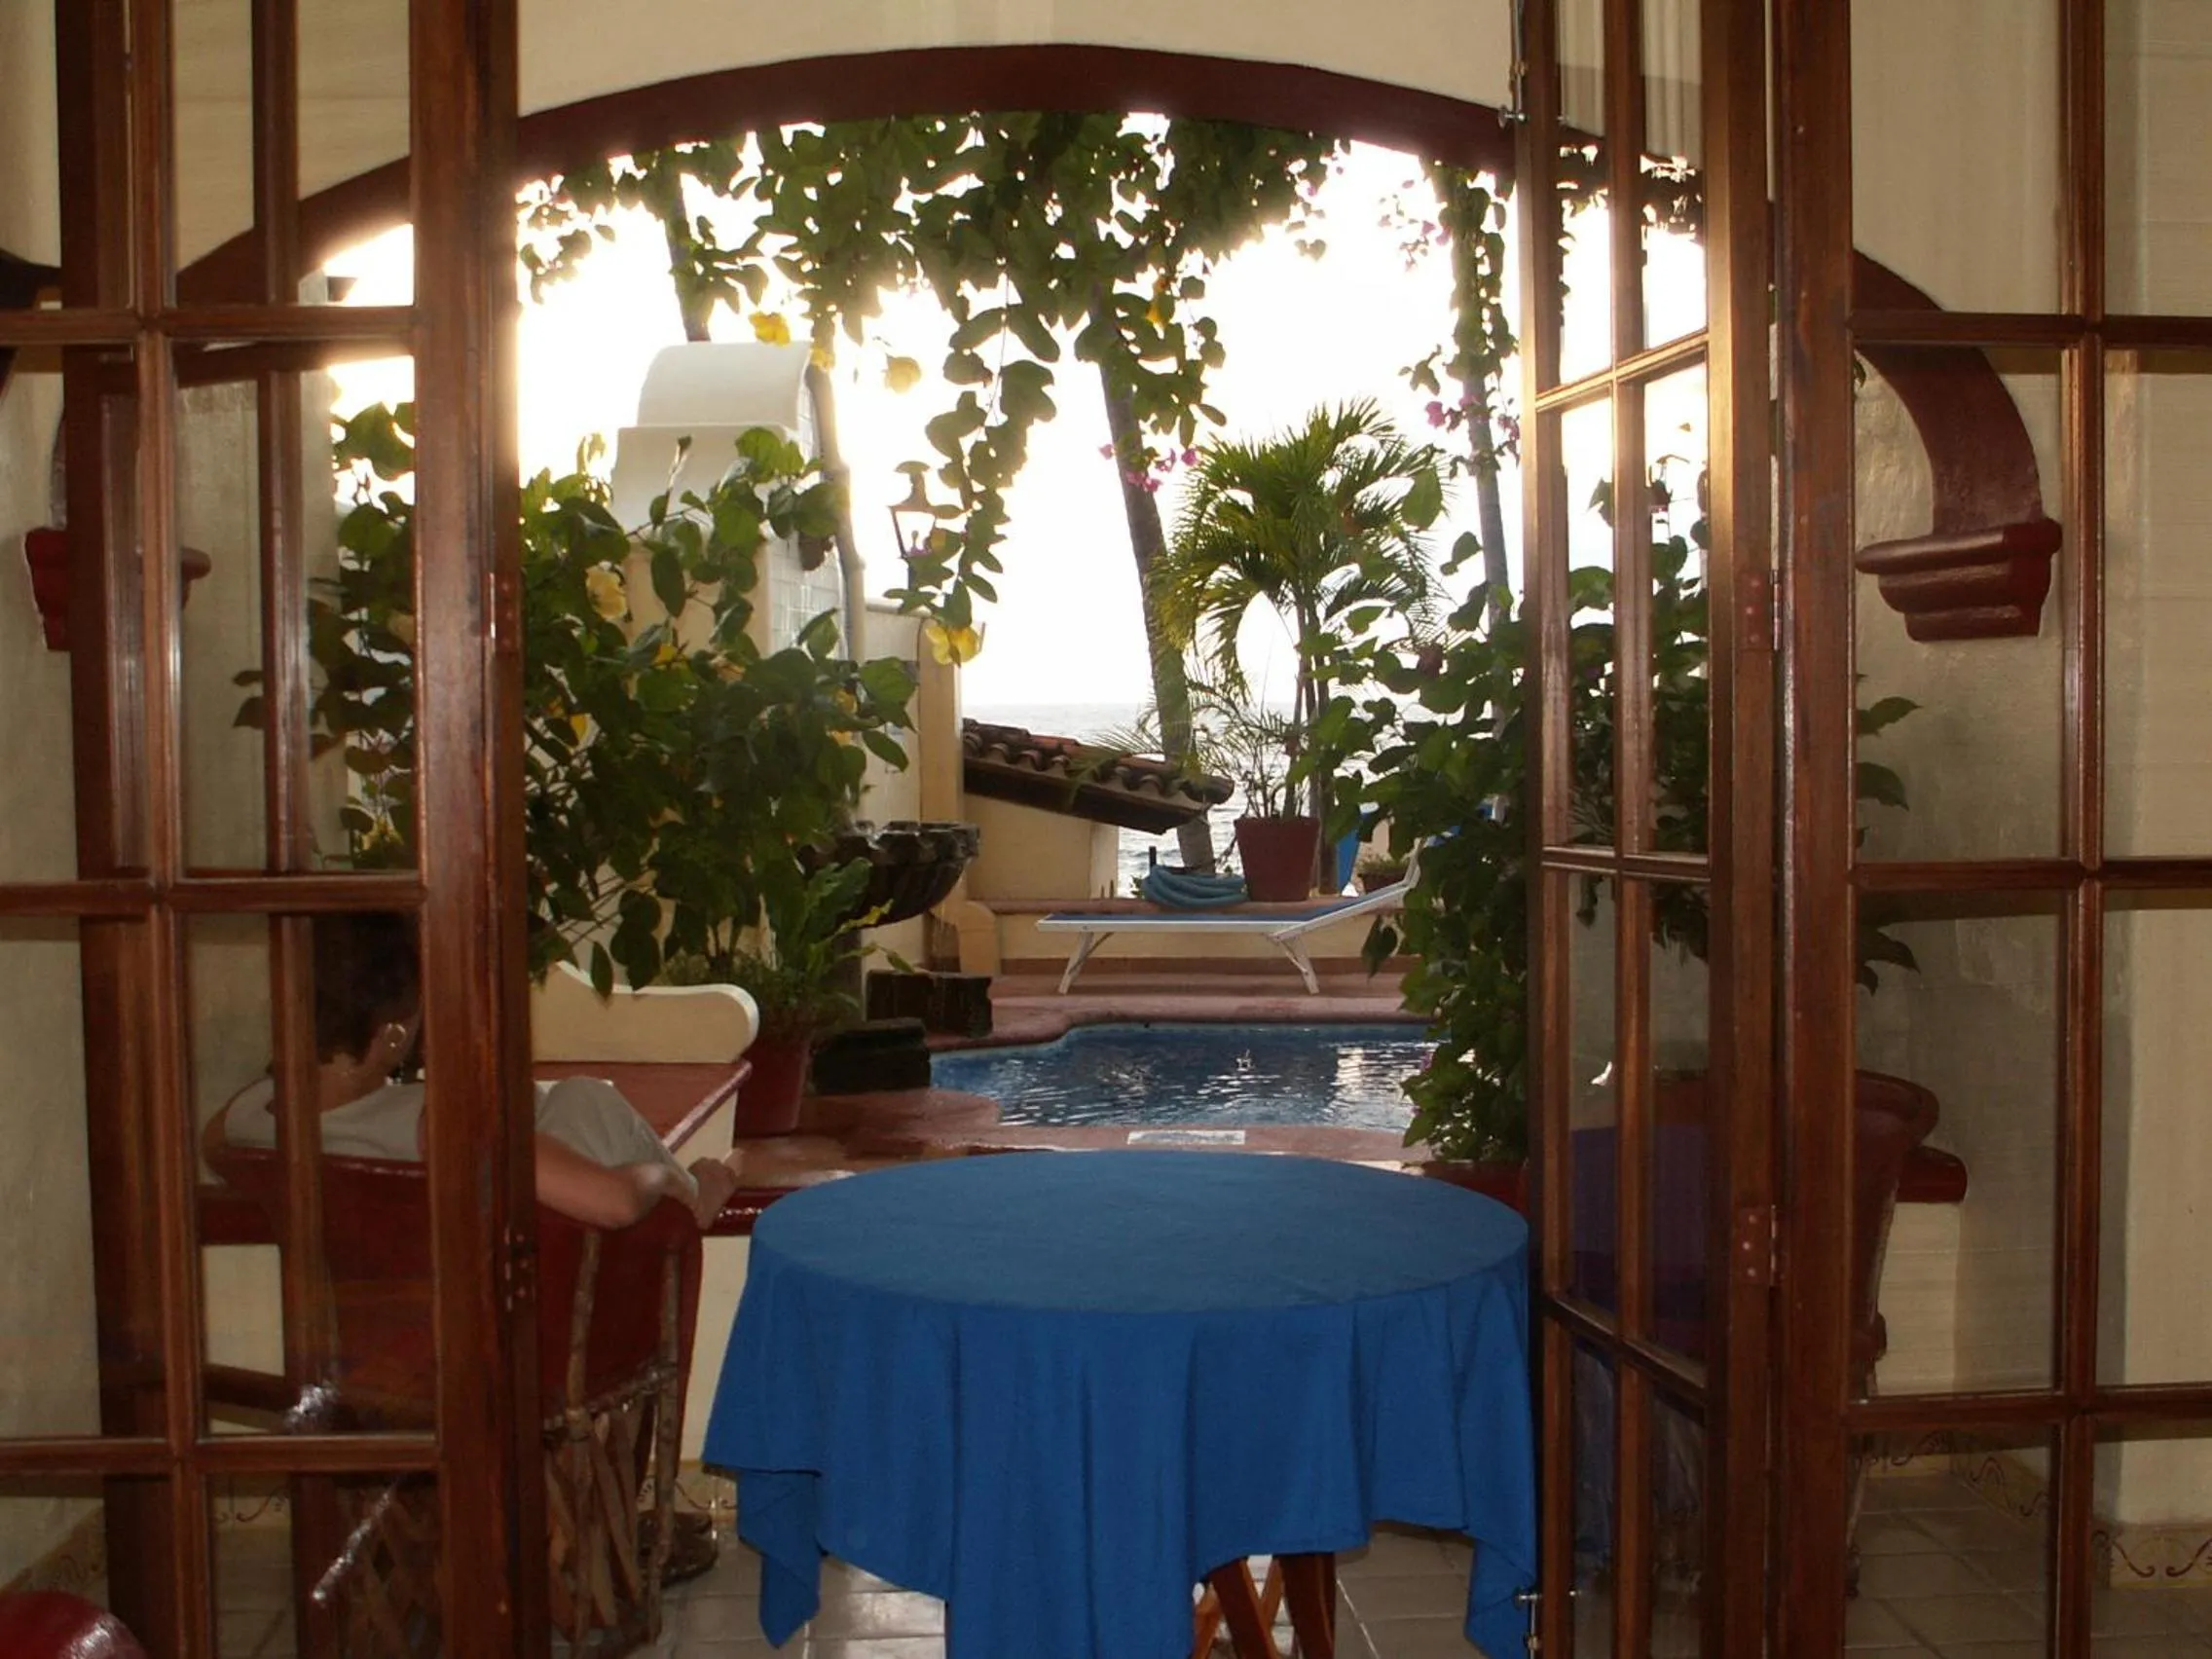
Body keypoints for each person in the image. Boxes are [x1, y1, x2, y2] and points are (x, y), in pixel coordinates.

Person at [207, 912, 741, 1233]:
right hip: (550, 1268)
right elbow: (616, 1203)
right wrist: (668, 1178)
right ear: (393, 1032)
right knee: (583, 1098)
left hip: (403, 1294)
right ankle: (699, 1194)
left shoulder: (242, 1116)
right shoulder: (440, 1123)